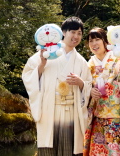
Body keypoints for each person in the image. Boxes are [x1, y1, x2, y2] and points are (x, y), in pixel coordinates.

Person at [23, 16, 93, 156]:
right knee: (49, 149)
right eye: (73, 32)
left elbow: (89, 86)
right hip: (49, 109)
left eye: (79, 33)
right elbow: (28, 76)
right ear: (63, 32)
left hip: (71, 112)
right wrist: (41, 65)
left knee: (70, 149)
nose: (76, 36)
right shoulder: (45, 54)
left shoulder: (81, 61)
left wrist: (81, 83)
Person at [83, 27, 120, 156]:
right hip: (98, 118)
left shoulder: (117, 57)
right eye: (90, 41)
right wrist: (90, 91)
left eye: (97, 39)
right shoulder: (89, 65)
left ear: (106, 41)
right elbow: (84, 87)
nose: (94, 44)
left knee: (115, 151)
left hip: (117, 118)